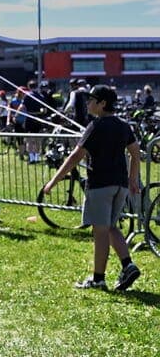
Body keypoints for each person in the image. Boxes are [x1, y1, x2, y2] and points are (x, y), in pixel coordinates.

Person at [43, 84, 142, 291]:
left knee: (100, 232)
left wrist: (53, 181)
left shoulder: (96, 126)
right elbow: (135, 153)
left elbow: (75, 156)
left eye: (91, 99)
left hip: (100, 185)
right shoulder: (124, 125)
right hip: (120, 185)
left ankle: (98, 279)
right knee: (111, 226)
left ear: (102, 103)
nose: (87, 102)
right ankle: (128, 265)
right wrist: (132, 180)